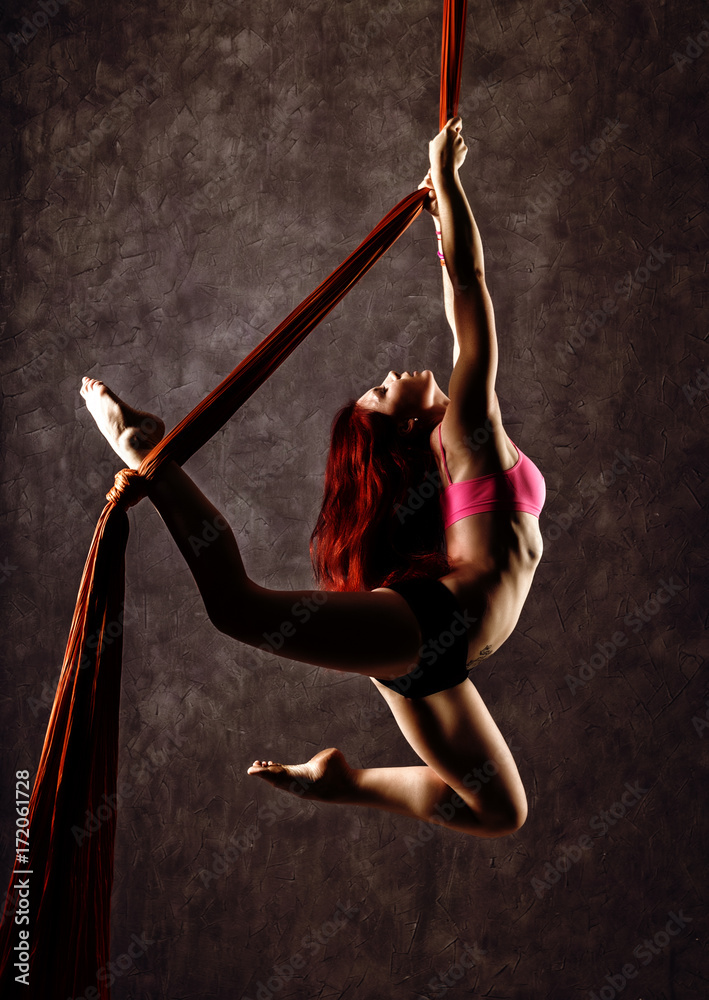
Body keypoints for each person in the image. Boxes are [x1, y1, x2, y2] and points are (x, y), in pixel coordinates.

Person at [79, 116, 544, 840]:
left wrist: (438, 203)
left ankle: (343, 781)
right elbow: (471, 297)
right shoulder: (467, 429)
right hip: (435, 628)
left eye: (378, 384)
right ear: (403, 431)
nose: (389, 374)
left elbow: (462, 296)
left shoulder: (454, 455)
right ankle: (152, 457)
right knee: (239, 607)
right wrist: (448, 186)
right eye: (382, 392)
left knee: (499, 811)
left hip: (441, 647)